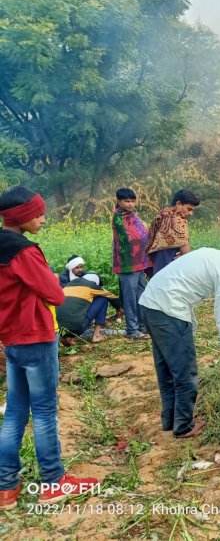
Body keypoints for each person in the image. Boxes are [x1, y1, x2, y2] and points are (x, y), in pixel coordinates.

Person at [0, 186, 99, 510]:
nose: (43, 219)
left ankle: (6, 488)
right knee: (43, 412)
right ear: (22, 217)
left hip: (11, 339)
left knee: (14, 413)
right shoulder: (24, 251)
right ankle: (54, 482)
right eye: (38, 213)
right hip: (36, 337)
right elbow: (55, 294)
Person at [138, 238, 220, 438]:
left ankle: (170, 420)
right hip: (169, 311)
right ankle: (183, 425)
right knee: (185, 371)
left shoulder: (211, 252)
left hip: (150, 305)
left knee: (167, 368)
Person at [112, 187, 151, 340]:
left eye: (132, 201)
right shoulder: (118, 217)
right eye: (126, 201)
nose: (130, 204)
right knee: (130, 298)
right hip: (127, 262)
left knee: (142, 294)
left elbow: (141, 233)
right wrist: (145, 230)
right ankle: (132, 330)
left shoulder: (131, 215)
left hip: (140, 261)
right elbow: (131, 237)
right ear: (119, 201)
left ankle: (143, 327)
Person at [146, 188, 200, 275]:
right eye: (189, 209)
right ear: (178, 204)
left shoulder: (161, 215)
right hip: (170, 266)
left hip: (159, 265)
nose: (190, 214)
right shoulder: (175, 221)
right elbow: (186, 251)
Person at [57, 274, 121, 346]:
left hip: (60, 330)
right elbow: (110, 295)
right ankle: (96, 335)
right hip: (78, 328)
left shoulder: (69, 285)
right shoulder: (91, 285)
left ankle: (67, 337)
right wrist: (119, 308)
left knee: (73, 310)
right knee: (103, 298)